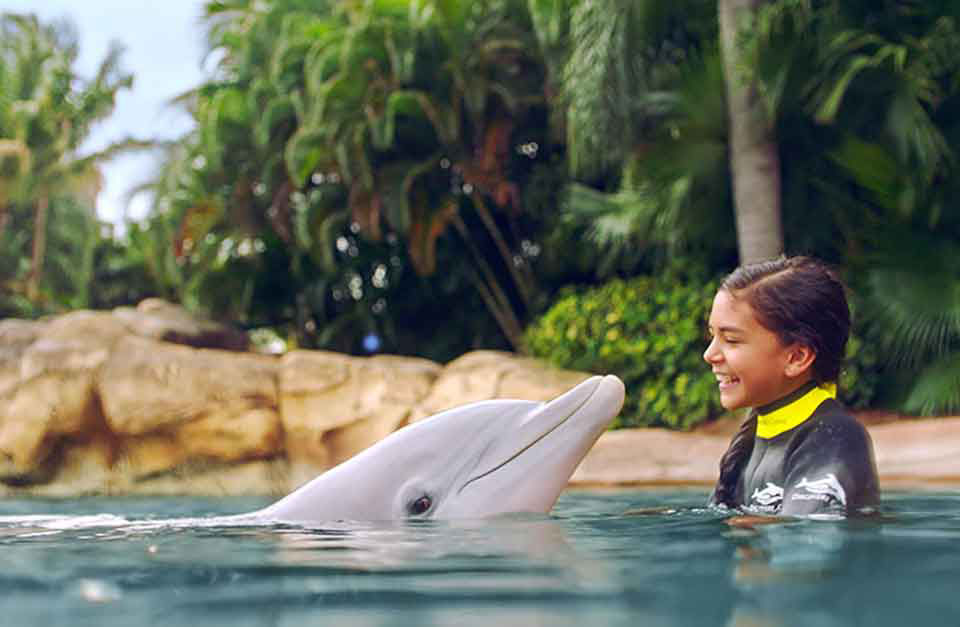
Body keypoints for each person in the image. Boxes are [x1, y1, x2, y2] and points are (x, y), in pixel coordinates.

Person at [704, 255, 879, 517]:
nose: (709, 354)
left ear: (797, 357)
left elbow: (806, 543)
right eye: (713, 336)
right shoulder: (751, 440)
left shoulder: (834, 438)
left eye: (731, 340)